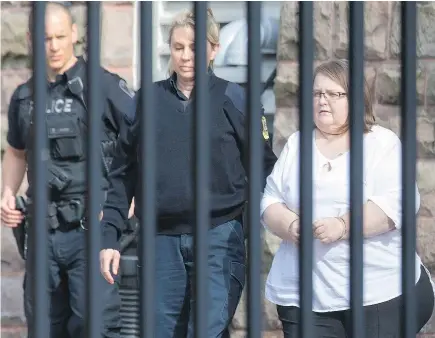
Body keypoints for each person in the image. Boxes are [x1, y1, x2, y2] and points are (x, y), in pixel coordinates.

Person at [99, 8, 278, 338]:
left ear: (213, 48)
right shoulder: (145, 101)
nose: (185, 56)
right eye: (178, 47)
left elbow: (265, 169)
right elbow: (122, 174)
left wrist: (248, 226)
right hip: (159, 240)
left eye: (194, 47)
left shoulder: (236, 100)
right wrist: (108, 235)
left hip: (219, 237)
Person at [260, 59, 435, 337]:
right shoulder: (297, 144)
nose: (322, 101)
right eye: (317, 93)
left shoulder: (381, 143)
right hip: (306, 296)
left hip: (376, 292)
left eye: (334, 94)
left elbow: (398, 203)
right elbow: (270, 200)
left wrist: (342, 226)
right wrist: (292, 226)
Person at [0, 2, 135, 337]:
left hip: (92, 230)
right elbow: (17, 152)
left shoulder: (104, 88)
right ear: (32, 40)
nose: (54, 45)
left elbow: (145, 144)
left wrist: (129, 202)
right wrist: (7, 191)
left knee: (96, 326)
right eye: (46, 38)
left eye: (61, 36)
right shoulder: (24, 97)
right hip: (42, 232)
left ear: (74, 34)